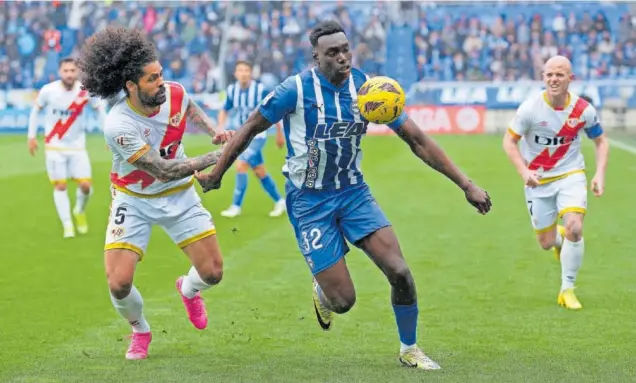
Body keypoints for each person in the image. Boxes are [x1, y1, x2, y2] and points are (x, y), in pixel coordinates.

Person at [196, 20, 492, 370]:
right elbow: (248, 127)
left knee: (399, 271)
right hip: (309, 202)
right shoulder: (296, 90)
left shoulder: (367, 90)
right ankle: (323, 290)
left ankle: (409, 348)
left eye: (346, 50)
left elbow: (417, 139)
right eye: (332, 53)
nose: (343, 58)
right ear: (316, 57)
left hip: (353, 193)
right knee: (343, 301)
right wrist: (217, 173)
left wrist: (466, 183)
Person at [77, 27, 232, 360]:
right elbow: (162, 169)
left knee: (213, 274)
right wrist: (221, 155)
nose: (161, 82)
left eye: (160, 75)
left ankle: (188, 289)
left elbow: (190, 108)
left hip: (180, 195)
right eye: (152, 79)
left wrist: (214, 131)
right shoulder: (118, 124)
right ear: (131, 86)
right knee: (118, 283)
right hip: (134, 200)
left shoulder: (173, 91)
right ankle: (140, 330)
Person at [502, 55, 609, 310]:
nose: (553, 79)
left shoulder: (584, 110)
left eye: (559, 74)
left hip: (571, 174)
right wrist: (523, 171)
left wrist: (599, 173)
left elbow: (601, 141)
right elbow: (509, 141)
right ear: (543, 78)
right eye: (549, 74)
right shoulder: (530, 109)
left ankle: (567, 289)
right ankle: (559, 240)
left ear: (570, 79)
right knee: (546, 243)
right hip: (537, 181)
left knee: (574, 226)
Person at [27, 57, 105, 238]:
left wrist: (108, 135)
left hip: (77, 147)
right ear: (60, 72)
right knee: (60, 186)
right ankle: (68, 225)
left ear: (77, 72)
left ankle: (79, 210)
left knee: (85, 186)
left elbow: (99, 109)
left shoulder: (85, 90)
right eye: (66, 71)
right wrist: (31, 136)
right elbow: (35, 111)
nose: (69, 74)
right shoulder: (49, 91)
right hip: (54, 146)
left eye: (72, 71)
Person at [217, 61, 286, 218]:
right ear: (235, 73)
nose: (243, 73)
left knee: (241, 165)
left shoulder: (260, 90)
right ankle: (280, 201)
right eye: (240, 70)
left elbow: (274, 109)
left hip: (258, 135)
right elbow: (224, 109)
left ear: (250, 73)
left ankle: (235, 206)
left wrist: (279, 133)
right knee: (259, 171)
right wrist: (220, 126)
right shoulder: (232, 90)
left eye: (246, 70)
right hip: (241, 135)